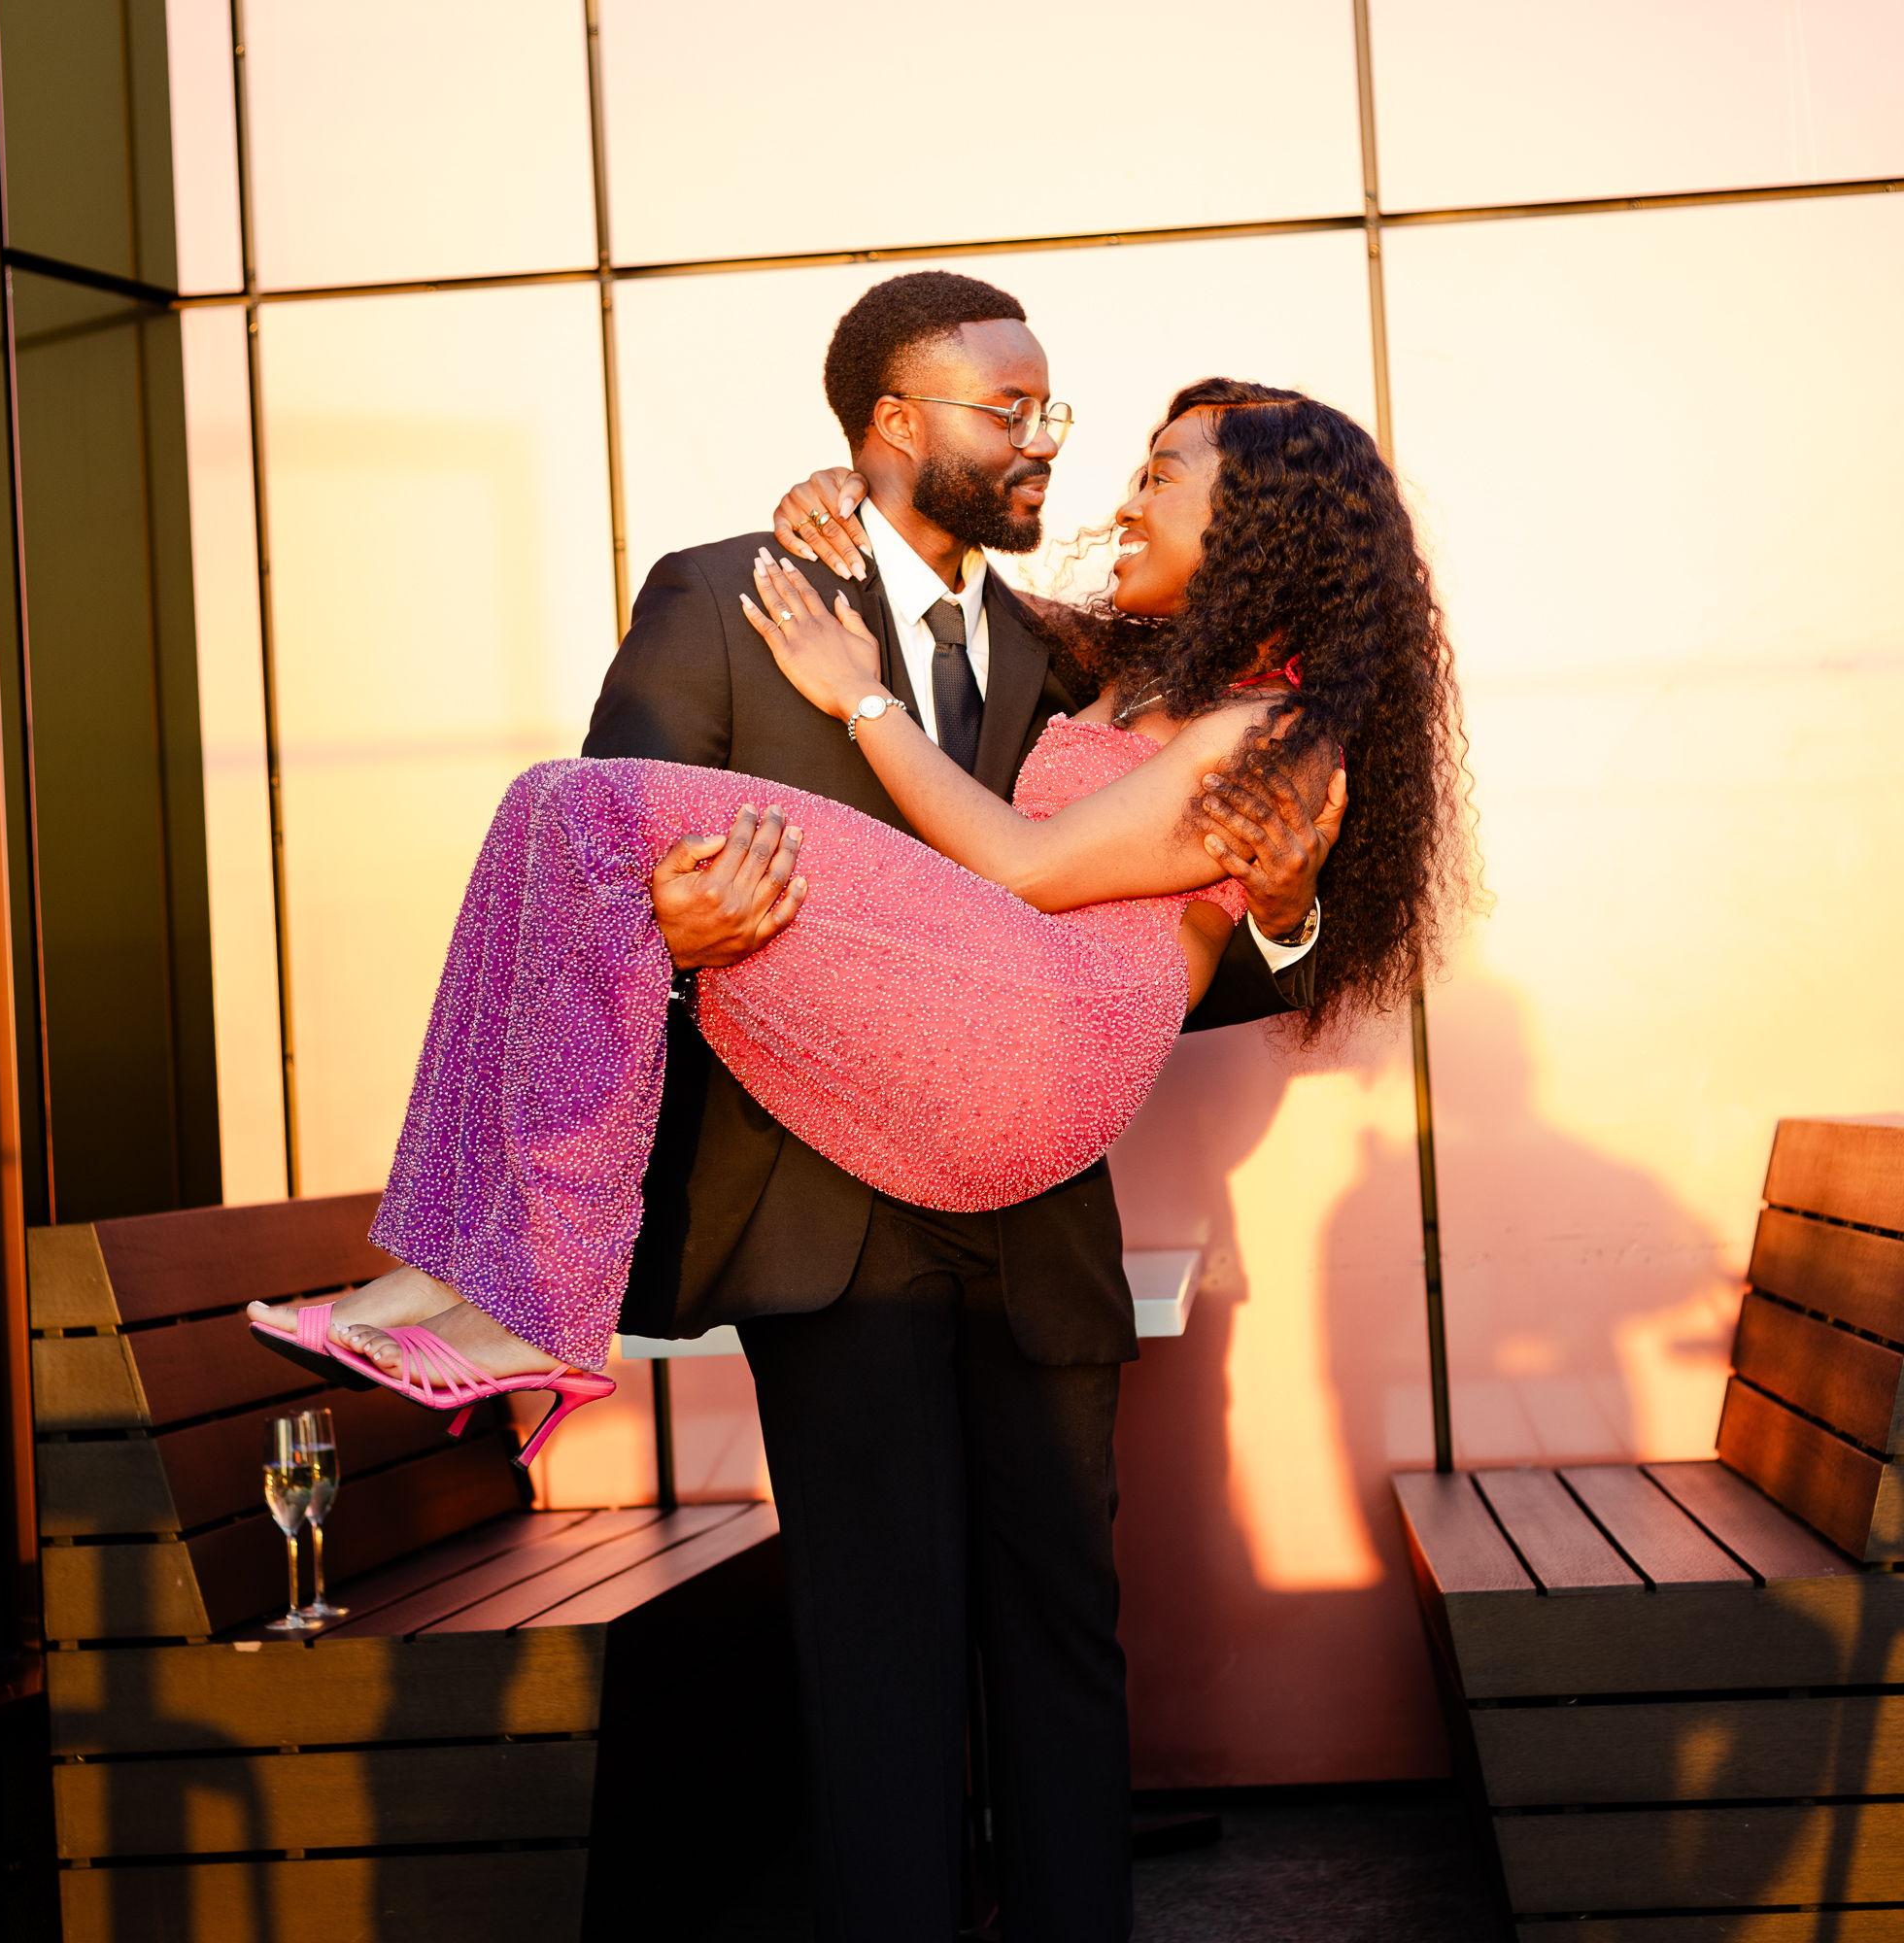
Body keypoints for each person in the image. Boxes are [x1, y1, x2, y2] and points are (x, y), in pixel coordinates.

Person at [249, 272, 1471, 1941]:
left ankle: (503, 1289)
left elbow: (1155, 911)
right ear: (895, 424)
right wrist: (679, 926)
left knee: (1060, 1627)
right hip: (827, 1216)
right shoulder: (731, 595)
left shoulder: (1080, 653)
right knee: (878, 1648)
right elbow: (634, 887)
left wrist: (1287, 906)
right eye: (1011, 411)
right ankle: (498, 1274)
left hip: (1031, 1190)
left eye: (1064, 415)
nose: (1055, 444)